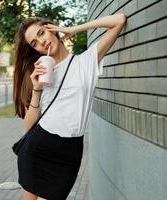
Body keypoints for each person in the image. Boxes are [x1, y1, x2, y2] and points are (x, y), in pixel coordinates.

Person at [13, 13, 126, 200]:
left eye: (42, 33)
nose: (41, 42)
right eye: (34, 43)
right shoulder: (41, 72)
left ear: (51, 29)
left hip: (69, 152)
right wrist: (36, 88)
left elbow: (119, 20)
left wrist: (72, 29)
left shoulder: (86, 62)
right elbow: (29, 125)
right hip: (37, 149)